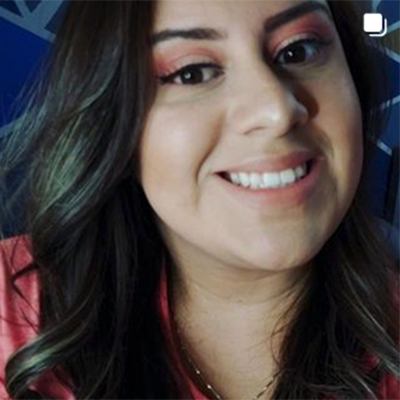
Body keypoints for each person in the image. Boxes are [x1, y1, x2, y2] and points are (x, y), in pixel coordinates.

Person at [0, 0, 399, 399]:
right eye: (192, 73)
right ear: (114, 125)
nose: (276, 109)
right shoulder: (10, 304)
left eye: (299, 49)